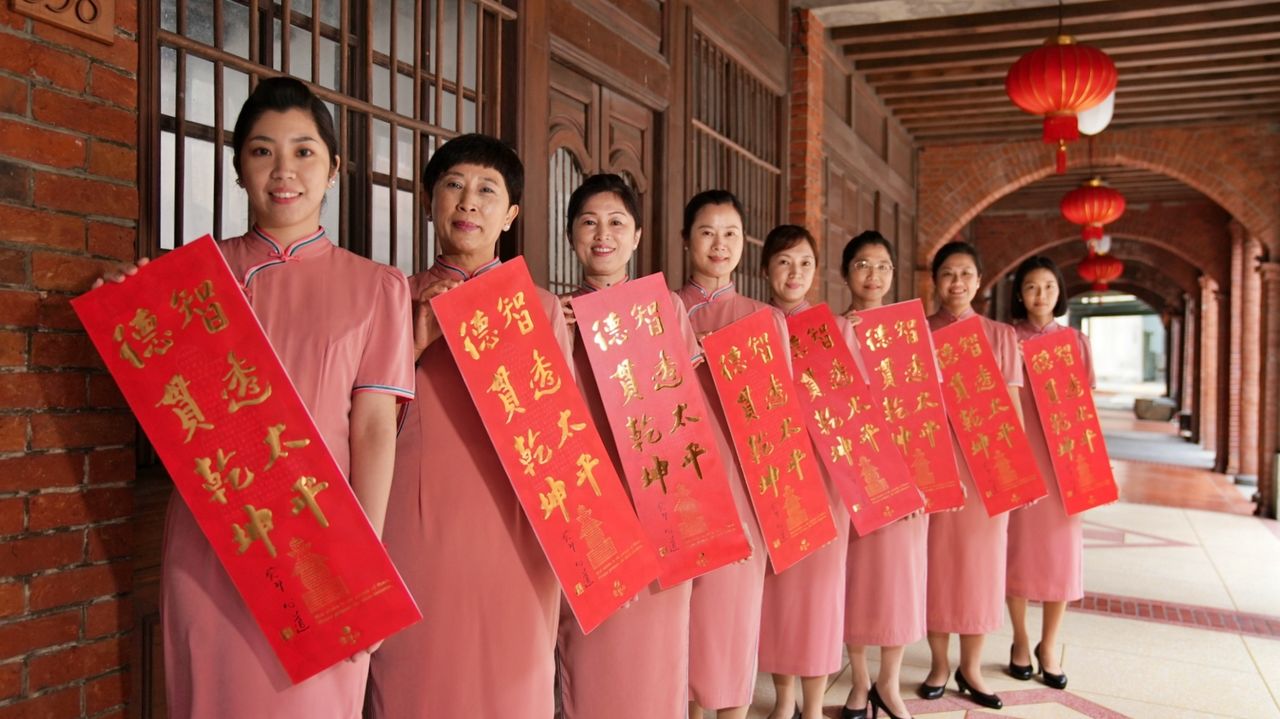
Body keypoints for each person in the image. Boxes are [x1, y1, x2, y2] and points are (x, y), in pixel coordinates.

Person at [97, 76, 415, 718]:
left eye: (304, 151)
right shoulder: (193, 279)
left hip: (318, 546)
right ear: (239, 168)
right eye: (262, 151)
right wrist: (128, 306)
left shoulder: (377, 287)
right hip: (211, 542)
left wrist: (365, 566)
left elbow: (375, 430)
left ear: (333, 169)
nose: (283, 170)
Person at [367, 134, 572, 718]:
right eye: (453, 185)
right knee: (417, 680)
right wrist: (416, 341)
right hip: (413, 523)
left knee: (511, 684)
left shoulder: (541, 308)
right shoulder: (391, 299)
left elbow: (561, 437)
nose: (468, 202)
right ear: (429, 201)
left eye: (487, 190)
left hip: (517, 529)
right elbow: (353, 422)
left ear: (510, 214)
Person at [554, 173, 697, 719]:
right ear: (571, 234)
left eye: (616, 223)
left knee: (658, 647)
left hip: (658, 496)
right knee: (591, 643)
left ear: (636, 236)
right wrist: (559, 335)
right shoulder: (551, 313)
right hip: (587, 499)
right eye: (589, 222)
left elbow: (686, 412)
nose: (602, 235)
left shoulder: (666, 310)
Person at [675, 190, 779, 719]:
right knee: (681, 622)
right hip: (672, 488)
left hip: (741, 490)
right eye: (707, 232)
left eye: (730, 233)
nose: (719, 244)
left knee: (732, 619)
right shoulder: (658, 312)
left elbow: (779, 420)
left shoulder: (765, 319)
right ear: (686, 239)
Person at [919, 241, 1022, 711]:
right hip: (936, 466)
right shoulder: (918, 331)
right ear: (935, 281)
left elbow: (1013, 405)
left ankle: (972, 666)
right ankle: (939, 664)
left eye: (965, 274)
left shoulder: (1001, 336)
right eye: (947, 274)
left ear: (979, 281)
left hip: (988, 468)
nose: (956, 283)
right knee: (938, 564)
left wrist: (1019, 472)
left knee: (982, 566)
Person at [756, 225, 850, 719]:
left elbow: (857, 410)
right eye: (784, 262)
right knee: (781, 594)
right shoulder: (751, 327)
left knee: (818, 595)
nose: (795, 273)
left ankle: (813, 705)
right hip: (774, 476)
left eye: (805, 263)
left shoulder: (834, 330)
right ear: (765, 269)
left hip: (826, 477)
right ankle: (784, 698)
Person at [838, 231, 926, 719]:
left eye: (883, 266)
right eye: (863, 265)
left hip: (904, 475)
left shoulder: (910, 333)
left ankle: (889, 683)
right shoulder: (831, 331)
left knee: (900, 581)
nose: (873, 275)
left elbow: (927, 412)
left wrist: (921, 480)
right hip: (852, 475)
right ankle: (859, 681)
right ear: (845, 272)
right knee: (856, 581)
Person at [1005, 255, 1093, 690]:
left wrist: (1094, 464)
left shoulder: (1075, 341)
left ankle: (1049, 644)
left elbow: (1087, 405)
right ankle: (1021, 640)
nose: (1040, 295)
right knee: (1017, 551)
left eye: (1048, 287)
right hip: (1021, 459)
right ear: (1019, 295)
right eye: (1031, 287)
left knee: (1062, 555)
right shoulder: (1006, 338)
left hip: (1066, 463)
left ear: (1060, 293)